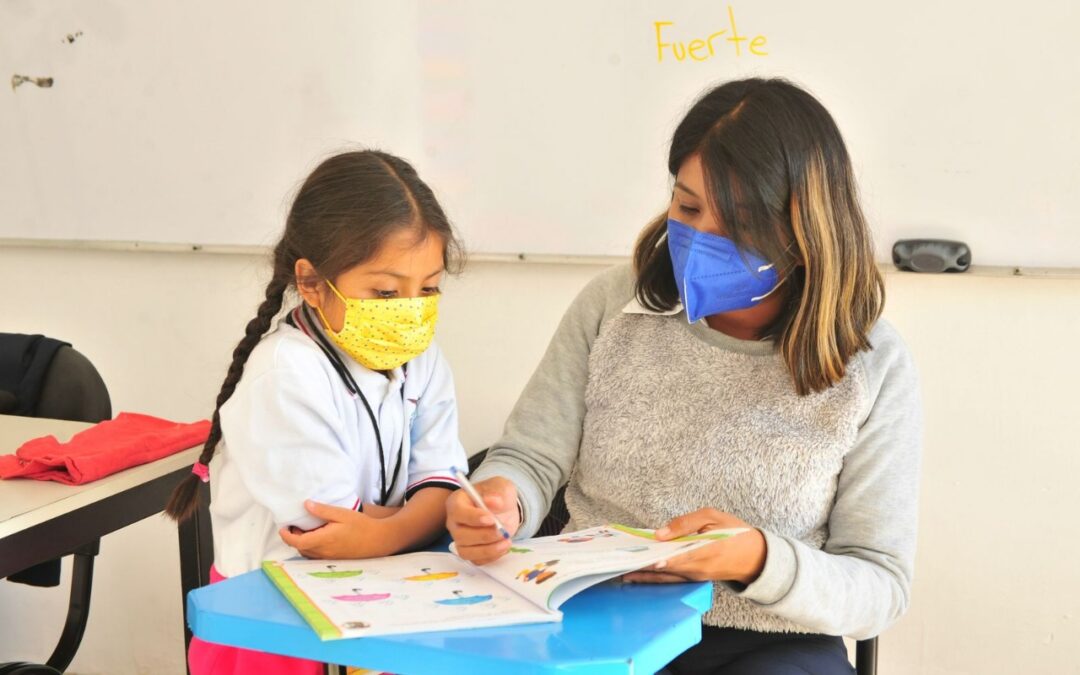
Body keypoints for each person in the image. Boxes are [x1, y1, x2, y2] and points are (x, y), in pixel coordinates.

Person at [447, 78, 922, 675]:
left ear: (806, 228)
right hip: (595, 617)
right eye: (688, 206)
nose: (701, 239)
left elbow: (879, 584)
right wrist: (502, 500)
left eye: (740, 221)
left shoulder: (871, 364)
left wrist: (755, 559)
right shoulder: (612, 306)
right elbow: (531, 456)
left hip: (771, 644)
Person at [166, 149, 467, 675]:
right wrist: (422, 518)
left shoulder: (423, 358)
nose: (412, 309)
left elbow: (441, 479)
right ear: (310, 282)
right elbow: (330, 532)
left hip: (377, 605)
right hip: (273, 623)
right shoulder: (284, 373)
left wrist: (388, 530)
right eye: (386, 291)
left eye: (430, 288)